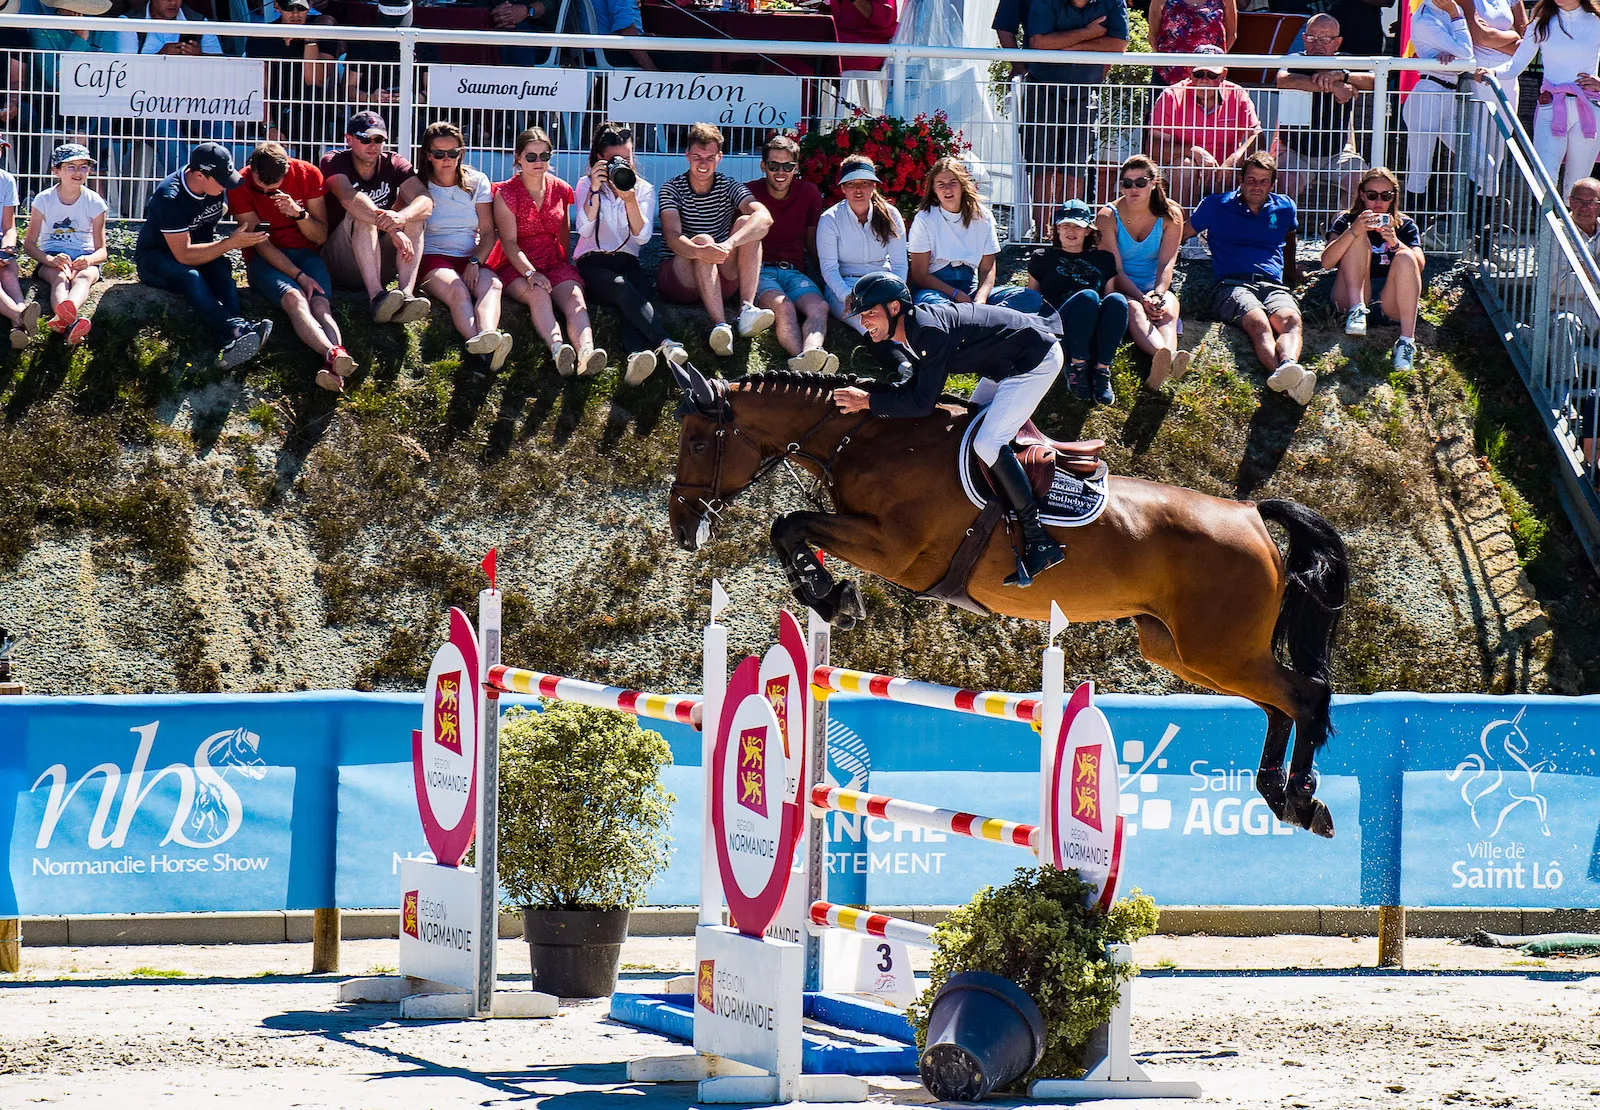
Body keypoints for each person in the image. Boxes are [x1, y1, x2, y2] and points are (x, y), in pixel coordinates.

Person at [830, 272, 1067, 587]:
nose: (864, 323)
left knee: (987, 444)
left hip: (1034, 362)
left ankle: (1039, 539)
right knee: (968, 426)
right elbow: (914, 388)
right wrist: (874, 400)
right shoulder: (914, 332)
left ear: (894, 308)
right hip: (1006, 363)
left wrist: (870, 402)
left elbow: (921, 403)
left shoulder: (928, 333)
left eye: (870, 313)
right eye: (862, 316)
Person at [227, 141, 355, 392]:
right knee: (295, 298)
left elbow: (320, 236)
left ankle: (334, 368)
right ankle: (332, 354)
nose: (266, 194)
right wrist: (298, 275)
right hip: (264, 258)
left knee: (320, 303)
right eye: (261, 189)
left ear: (286, 171)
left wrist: (299, 214)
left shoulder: (308, 174)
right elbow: (259, 243)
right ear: (251, 168)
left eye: (272, 189)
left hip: (307, 253)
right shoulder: (240, 183)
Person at [134, 142, 273, 369]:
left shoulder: (212, 187)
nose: (226, 187)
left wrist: (234, 241)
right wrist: (230, 243)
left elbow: (206, 239)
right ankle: (237, 329)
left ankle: (232, 338)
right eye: (222, 181)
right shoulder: (170, 197)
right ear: (199, 175)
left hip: (193, 249)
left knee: (221, 269)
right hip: (155, 259)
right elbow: (185, 255)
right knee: (190, 276)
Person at [1189, 153, 1313, 404]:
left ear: (1272, 184)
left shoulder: (1285, 206)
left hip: (1272, 284)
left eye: (1264, 181)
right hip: (1232, 284)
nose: (1257, 187)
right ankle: (1289, 381)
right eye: (1252, 180)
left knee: (1291, 320)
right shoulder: (1216, 204)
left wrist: (1292, 271)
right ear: (1241, 180)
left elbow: (1289, 239)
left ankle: (1288, 367)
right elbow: (1181, 232)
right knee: (1259, 321)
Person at [573, 123, 685, 386]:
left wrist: (630, 199)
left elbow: (643, 237)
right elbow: (584, 228)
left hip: (628, 261)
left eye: (627, 157)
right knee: (623, 288)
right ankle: (665, 342)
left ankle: (636, 358)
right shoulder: (585, 184)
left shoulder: (643, 188)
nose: (622, 164)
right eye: (614, 159)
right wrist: (595, 190)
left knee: (640, 291)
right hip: (593, 263)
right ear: (600, 159)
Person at [489, 126, 603, 377]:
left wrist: (563, 268)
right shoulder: (506, 193)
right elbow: (508, 242)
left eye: (544, 156)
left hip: (552, 261)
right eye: (531, 156)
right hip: (516, 264)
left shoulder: (561, 188)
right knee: (538, 295)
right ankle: (558, 349)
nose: (538, 162)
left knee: (575, 296)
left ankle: (586, 354)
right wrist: (531, 273)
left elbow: (564, 232)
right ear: (518, 157)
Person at [657, 122, 775, 358]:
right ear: (687, 155)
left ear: (719, 157)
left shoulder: (729, 184)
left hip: (719, 271)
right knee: (701, 240)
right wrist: (701, 251)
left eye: (709, 157)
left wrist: (729, 244)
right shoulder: (671, 188)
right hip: (680, 277)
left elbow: (764, 217)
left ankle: (746, 310)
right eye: (697, 156)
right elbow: (672, 236)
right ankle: (720, 326)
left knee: (747, 224)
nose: (703, 164)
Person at [1019, 0, 1129, 233]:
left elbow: (1119, 44)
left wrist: (1068, 45)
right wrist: (1088, 34)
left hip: (1085, 92)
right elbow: (1039, 42)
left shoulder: (1113, 2)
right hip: (1042, 88)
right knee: (1041, 165)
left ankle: (1071, 232)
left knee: (1076, 166)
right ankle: (1041, 232)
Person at [1475, 0, 1600, 199]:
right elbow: (1515, 65)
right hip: (1551, 107)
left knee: (1577, 185)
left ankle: (1569, 230)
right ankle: (1544, 228)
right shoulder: (1541, 22)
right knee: (1544, 177)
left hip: (1588, 110)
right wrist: (1492, 72)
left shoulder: (1596, 22)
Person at [320, 110, 433, 325]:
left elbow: (425, 200)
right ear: (349, 139)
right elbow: (349, 198)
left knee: (415, 217)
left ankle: (406, 295)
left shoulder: (394, 162)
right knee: (361, 217)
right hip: (340, 260)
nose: (373, 145)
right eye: (365, 139)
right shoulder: (333, 160)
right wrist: (393, 228)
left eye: (379, 139)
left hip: (377, 258)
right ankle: (377, 299)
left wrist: (401, 218)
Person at [417, 121, 512, 376]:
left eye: (453, 153)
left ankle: (488, 335)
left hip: (470, 256)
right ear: (427, 155)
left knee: (493, 286)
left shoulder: (477, 180)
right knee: (458, 291)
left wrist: (475, 262)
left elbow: (489, 232)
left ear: (462, 152)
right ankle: (483, 350)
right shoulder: (418, 184)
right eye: (439, 154)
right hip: (432, 257)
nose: (447, 160)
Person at [1096, 155, 1190, 392]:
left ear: (1153, 183)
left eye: (1140, 182)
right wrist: (1141, 297)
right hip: (1120, 285)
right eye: (1127, 183)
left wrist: (1158, 294)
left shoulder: (1172, 214)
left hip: (1155, 285)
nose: (1133, 189)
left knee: (1168, 308)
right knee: (1135, 310)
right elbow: (1113, 268)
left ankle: (1166, 359)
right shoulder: (1107, 216)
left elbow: (1167, 261)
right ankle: (1165, 358)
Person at [1320, 167, 1425, 372]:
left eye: (1386, 196)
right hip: (1351, 296)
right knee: (1358, 239)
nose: (1378, 202)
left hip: (1391, 299)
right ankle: (1357, 309)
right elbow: (1326, 262)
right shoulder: (1346, 220)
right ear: (1361, 194)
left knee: (1405, 256)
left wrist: (1395, 243)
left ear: (1393, 197)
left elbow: (1418, 266)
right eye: (1372, 195)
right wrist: (1353, 231)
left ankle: (1406, 342)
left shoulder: (1405, 225)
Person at [908, 155, 1043, 313]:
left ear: (962, 184)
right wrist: (956, 295)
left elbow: (987, 268)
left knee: (1029, 298)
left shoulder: (982, 217)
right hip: (937, 286)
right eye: (941, 184)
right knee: (932, 306)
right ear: (934, 189)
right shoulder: (925, 219)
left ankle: (977, 319)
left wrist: (981, 299)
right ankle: (976, 322)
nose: (947, 189)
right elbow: (920, 275)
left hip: (970, 285)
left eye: (953, 182)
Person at [746, 134, 832, 373]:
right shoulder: (748, 194)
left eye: (788, 166)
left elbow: (812, 241)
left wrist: (825, 277)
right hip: (760, 271)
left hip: (794, 271)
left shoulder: (809, 193)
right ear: (763, 166)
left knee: (820, 307)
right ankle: (805, 363)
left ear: (796, 167)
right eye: (773, 166)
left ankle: (812, 353)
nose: (780, 172)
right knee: (784, 308)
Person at [1147, 45, 1262, 223]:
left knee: (1243, 171)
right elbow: (1153, 148)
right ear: (1190, 73)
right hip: (1181, 171)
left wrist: (1232, 162)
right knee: (1186, 168)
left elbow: (1257, 137)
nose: (1204, 80)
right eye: (1199, 74)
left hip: (1226, 172)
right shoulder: (1171, 96)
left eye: (1212, 75)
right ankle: (1183, 236)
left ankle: (1227, 238)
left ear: (1223, 75)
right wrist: (1192, 152)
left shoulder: (1238, 94)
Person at [1028, 201, 1128, 403]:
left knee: (1117, 299)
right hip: (1057, 324)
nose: (1071, 231)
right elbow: (1032, 298)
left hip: (1091, 323)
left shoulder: (1104, 259)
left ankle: (1102, 370)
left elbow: (1109, 296)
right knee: (1088, 296)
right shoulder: (1042, 257)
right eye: (1065, 225)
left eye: (1077, 226)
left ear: (1088, 231)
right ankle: (1077, 367)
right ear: (1057, 228)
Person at [1273, 14, 1374, 210]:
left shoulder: (1346, 63)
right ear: (1304, 39)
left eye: (1325, 39)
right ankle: (1286, 238)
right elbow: (1283, 80)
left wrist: (1343, 76)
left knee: (1364, 185)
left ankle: (1338, 230)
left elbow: (1374, 80)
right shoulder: (1295, 60)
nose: (1318, 45)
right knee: (1285, 185)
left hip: (1338, 153)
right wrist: (1335, 87)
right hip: (1296, 152)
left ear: (1338, 42)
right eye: (1312, 38)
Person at [24, 143, 106, 347]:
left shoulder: (95, 201)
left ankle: (65, 320)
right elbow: (30, 245)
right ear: (56, 171)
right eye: (71, 167)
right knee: (60, 278)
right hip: (52, 254)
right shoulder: (44, 199)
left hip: (85, 256)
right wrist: (49, 260)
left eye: (83, 167)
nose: (78, 172)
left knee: (84, 277)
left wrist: (88, 260)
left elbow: (102, 251)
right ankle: (72, 324)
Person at [816, 157, 909, 334]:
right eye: (851, 184)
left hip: (882, 282)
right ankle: (898, 361)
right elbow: (829, 269)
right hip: (845, 284)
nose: (858, 190)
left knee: (900, 319)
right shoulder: (830, 219)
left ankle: (911, 358)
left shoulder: (891, 215)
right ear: (842, 188)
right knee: (866, 322)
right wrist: (847, 296)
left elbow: (899, 264)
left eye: (865, 183)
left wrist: (894, 294)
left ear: (874, 186)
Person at [1402, 0, 1477, 213]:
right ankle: (1412, 232)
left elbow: (1463, 54)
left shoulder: (1450, 10)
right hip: (1428, 91)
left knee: (1479, 160)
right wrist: (1455, 14)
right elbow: (1466, 53)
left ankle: (1476, 223)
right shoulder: (1426, 17)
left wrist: (1455, 52)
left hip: (1448, 94)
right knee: (1420, 170)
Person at [245, 0, 340, 155]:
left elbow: (315, 80)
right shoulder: (261, 36)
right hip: (273, 111)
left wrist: (309, 40)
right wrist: (270, 127)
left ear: (309, 7)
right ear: (277, 6)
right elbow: (260, 88)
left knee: (310, 99)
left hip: (309, 112)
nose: (295, 14)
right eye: (289, 8)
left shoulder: (323, 32)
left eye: (301, 8)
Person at [1149, 0, 1237, 84]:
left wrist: (1216, 63)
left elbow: (1231, 35)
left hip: (1209, 77)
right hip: (1167, 75)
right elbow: (1153, 36)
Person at [0, 159, 33, 350]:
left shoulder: (6, 179)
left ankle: (18, 328)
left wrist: (7, 249)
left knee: (8, 271)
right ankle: (21, 317)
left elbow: (9, 228)